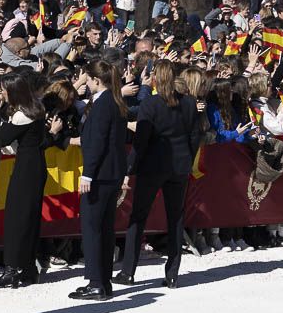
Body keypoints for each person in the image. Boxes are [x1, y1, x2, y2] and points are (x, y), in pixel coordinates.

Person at [116, 60, 202, 288]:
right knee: (175, 219)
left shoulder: (151, 104)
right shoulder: (190, 103)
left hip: (153, 166)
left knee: (138, 217)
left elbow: (141, 142)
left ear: (155, 78)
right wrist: (187, 160)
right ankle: (172, 274)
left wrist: (129, 168)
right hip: (179, 166)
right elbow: (195, 137)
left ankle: (128, 272)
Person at [0, 73, 55, 290]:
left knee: (17, 218)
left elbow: (0, 138)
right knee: (29, 218)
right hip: (34, 164)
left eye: (4, 89)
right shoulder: (34, 109)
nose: (2, 93)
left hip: (27, 168)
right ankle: (28, 269)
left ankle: (11, 270)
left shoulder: (21, 115)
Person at [70, 60, 129, 300]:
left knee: (93, 229)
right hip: (111, 173)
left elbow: (97, 143)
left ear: (96, 80)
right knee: (104, 229)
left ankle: (97, 282)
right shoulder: (114, 101)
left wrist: (88, 173)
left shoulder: (104, 103)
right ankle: (102, 280)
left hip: (100, 175)